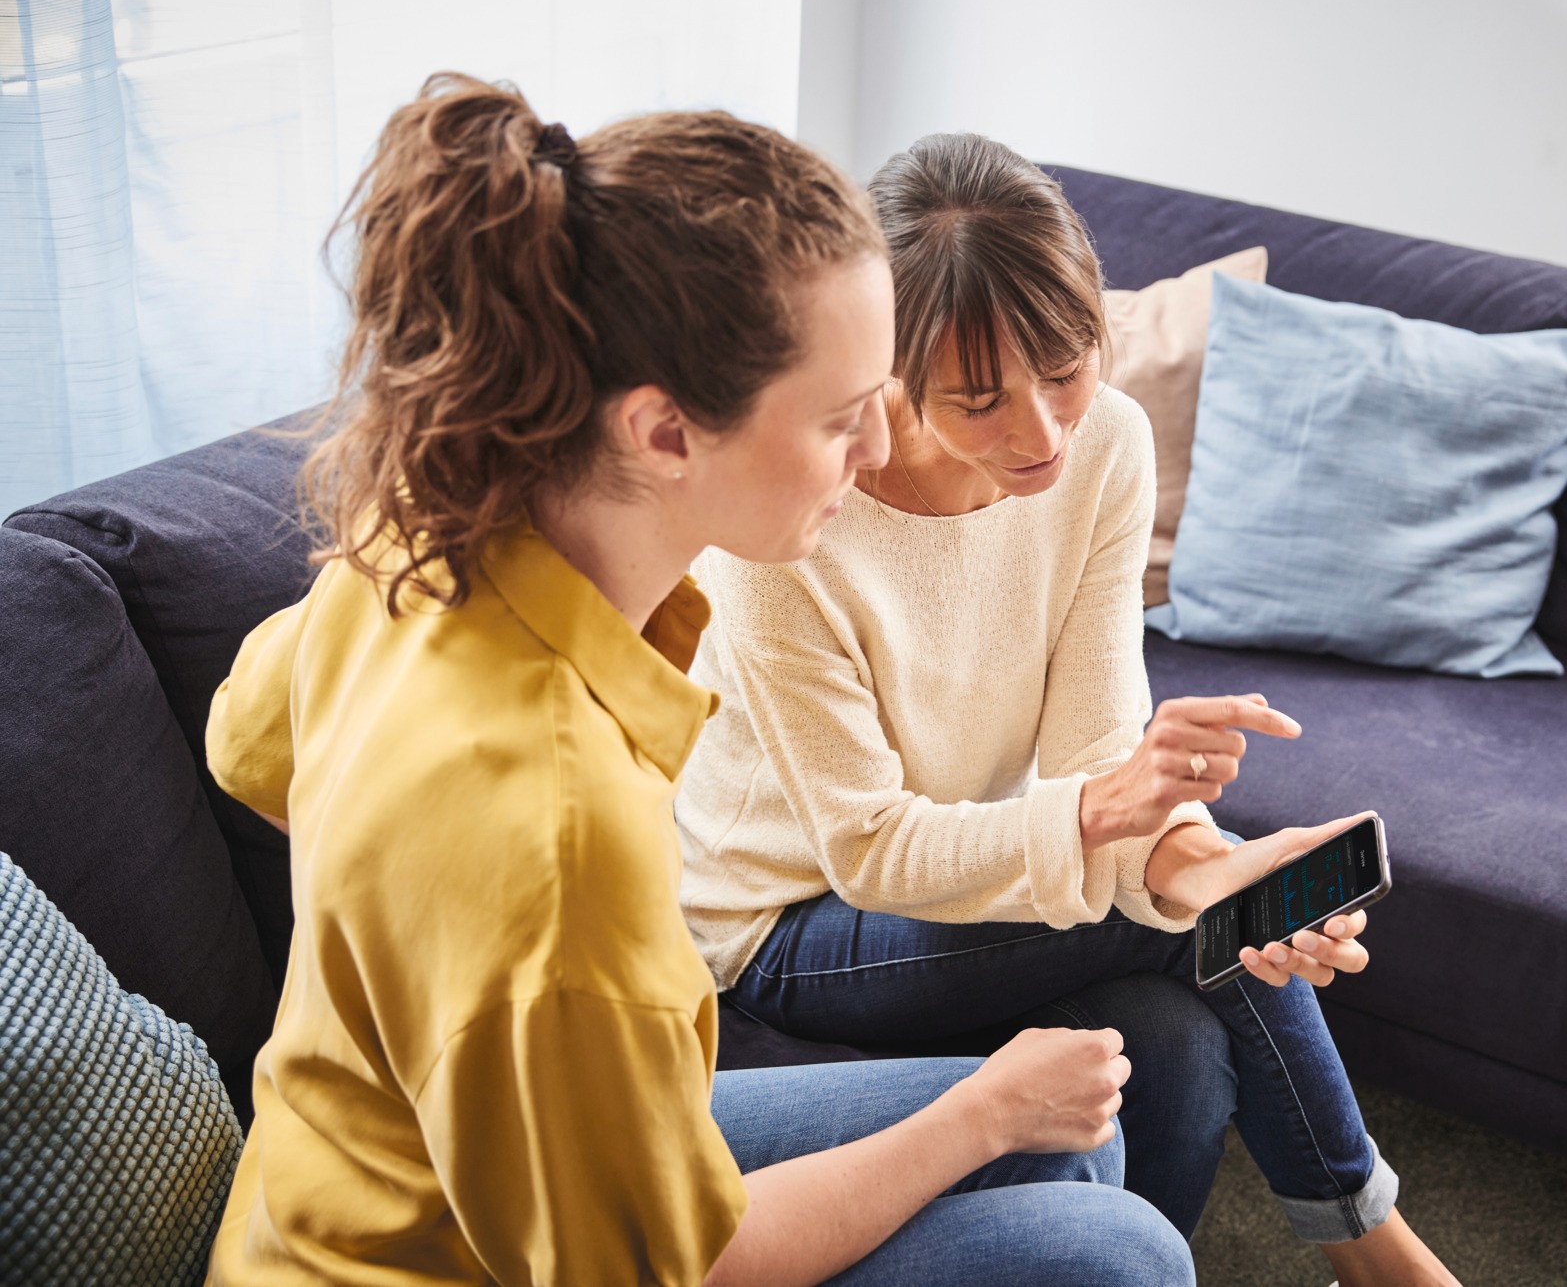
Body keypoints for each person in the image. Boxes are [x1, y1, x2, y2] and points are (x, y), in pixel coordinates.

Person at [202, 78, 1193, 1287]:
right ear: (665, 434)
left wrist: (439, 1018)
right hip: (429, 1261)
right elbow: (668, 1271)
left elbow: (249, 751)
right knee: (1111, 1247)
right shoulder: (560, 837)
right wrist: (978, 1116)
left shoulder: (420, 536)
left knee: (1082, 1152)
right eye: (840, 421)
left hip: (386, 1161)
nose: (884, 449)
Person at [677, 133, 1461, 1286]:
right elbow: (870, 847)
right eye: (979, 397)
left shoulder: (1107, 443)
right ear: (891, 370)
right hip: (791, 917)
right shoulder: (793, 524)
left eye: (1065, 369)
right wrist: (1169, 854)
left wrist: (1205, 867)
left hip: (984, 871)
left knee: (1182, 1049)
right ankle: (1374, 1246)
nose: (1041, 433)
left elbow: (1097, 749)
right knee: (1186, 931)